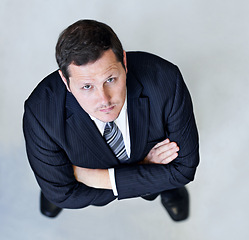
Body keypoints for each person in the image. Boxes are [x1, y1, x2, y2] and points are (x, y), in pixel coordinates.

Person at [23, 19, 199, 222]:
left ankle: (169, 190)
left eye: (110, 80)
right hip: (101, 158)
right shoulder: (40, 113)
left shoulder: (166, 80)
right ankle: (160, 183)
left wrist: (88, 177)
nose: (104, 100)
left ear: (124, 62)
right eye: (87, 87)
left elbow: (184, 170)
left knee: (172, 172)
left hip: (111, 163)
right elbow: (62, 195)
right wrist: (146, 167)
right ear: (65, 81)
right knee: (58, 190)